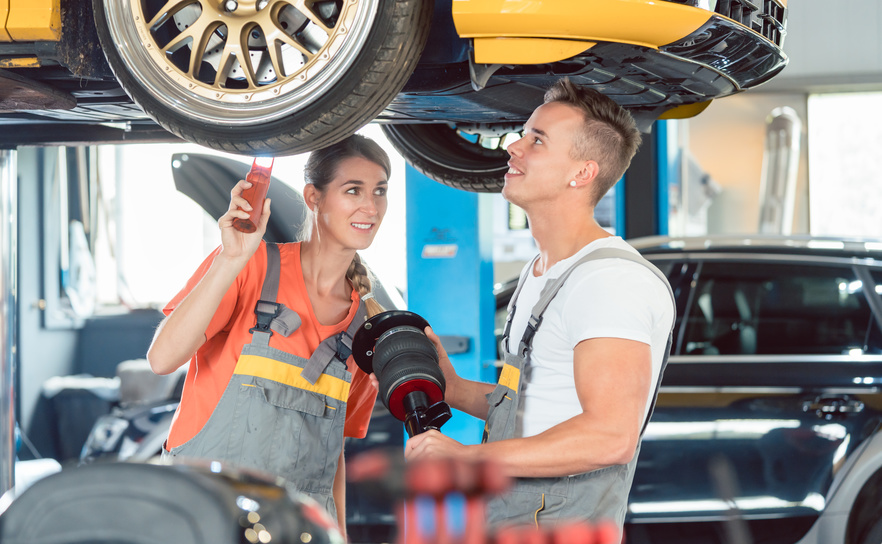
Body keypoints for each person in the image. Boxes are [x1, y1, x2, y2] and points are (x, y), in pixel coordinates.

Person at [405, 79, 677, 531]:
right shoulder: (543, 270)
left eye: (537, 140)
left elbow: (610, 436)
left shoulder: (609, 280)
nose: (513, 147)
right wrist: (453, 387)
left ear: (582, 173)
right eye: (523, 134)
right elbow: (535, 401)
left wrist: (469, 457)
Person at [146, 134, 390, 536]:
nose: (371, 207)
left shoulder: (364, 327)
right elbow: (162, 359)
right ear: (314, 197)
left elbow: (334, 453)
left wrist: (340, 535)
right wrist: (231, 258)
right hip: (205, 516)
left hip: (295, 529)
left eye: (380, 191)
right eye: (353, 190)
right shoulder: (252, 266)